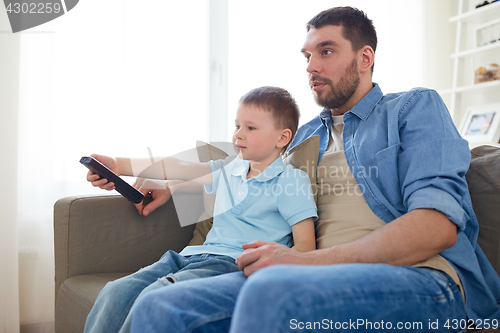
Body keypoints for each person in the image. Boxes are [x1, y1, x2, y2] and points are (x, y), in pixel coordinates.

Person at [128, 6, 500, 333]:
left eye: (326, 51)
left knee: (270, 292)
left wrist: (303, 261)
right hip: (310, 275)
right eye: (307, 55)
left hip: (423, 278)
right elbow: (247, 177)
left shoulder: (412, 108)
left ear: (365, 57)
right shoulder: (302, 137)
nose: (311, 66)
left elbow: (435, 227)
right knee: (161, 305)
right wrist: (178, 190)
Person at [83, 86, 318, 333]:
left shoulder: (291, 180)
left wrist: (271, 260)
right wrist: (118, 165)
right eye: (237, 126)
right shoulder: (229, 168)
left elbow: (305, 247)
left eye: (251, 128)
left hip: (230, 265)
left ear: (282, 137)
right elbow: (180, 166)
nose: (238, 135)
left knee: (156, 295)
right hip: (190, 256)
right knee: (115, 291)